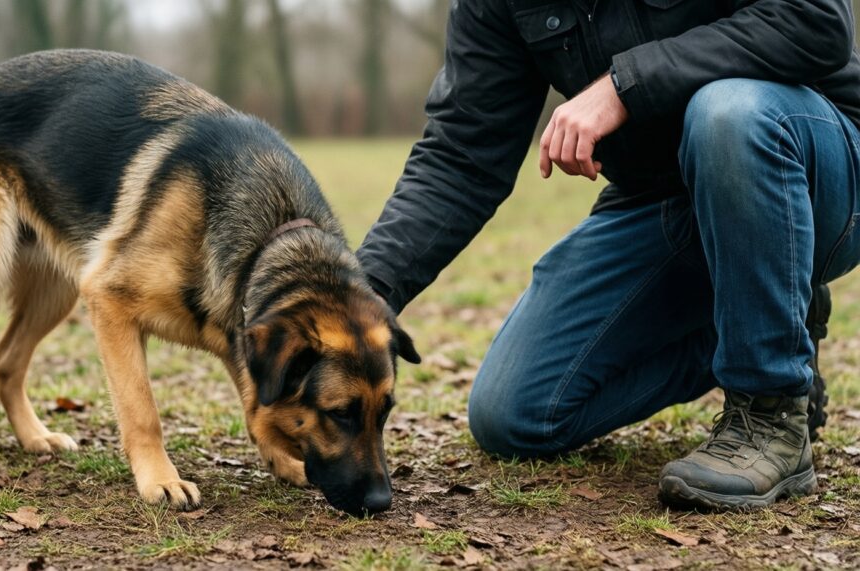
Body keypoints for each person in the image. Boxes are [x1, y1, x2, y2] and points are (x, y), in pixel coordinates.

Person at [357, 0, 860, 509]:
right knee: (514, 413)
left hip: (813, 167)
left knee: (728, 112)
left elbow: (815, 20)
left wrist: (624, 86)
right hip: (661, 198)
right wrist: (357, 292)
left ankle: (770, 410)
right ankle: (765, 317)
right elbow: (461, 157)